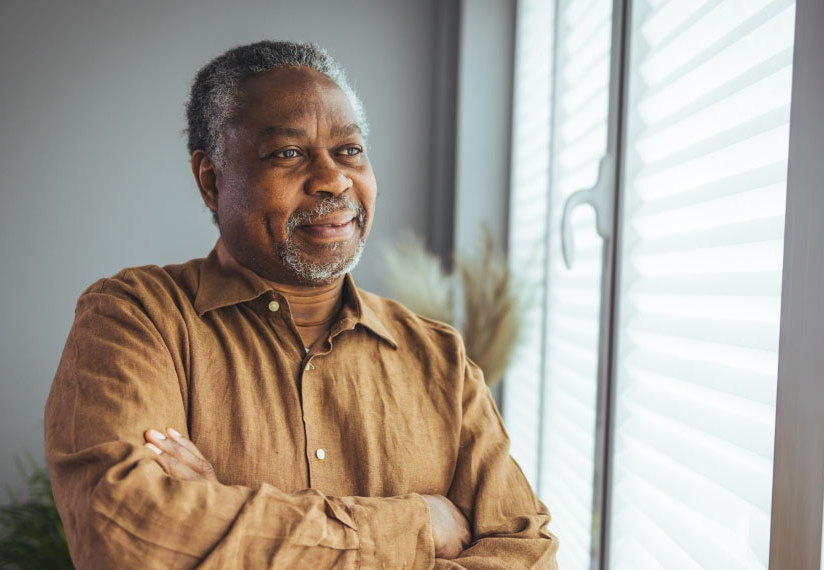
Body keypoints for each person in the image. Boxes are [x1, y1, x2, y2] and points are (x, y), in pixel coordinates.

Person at [44, 40, 556, 568]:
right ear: (211, 180)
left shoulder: (440, 358)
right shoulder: (135, 319)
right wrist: (417, 526)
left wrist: (228, 519)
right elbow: (130, 536)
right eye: (288, 154)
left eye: (349, 150)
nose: (333, 179)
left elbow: (528, 556)